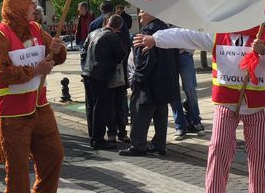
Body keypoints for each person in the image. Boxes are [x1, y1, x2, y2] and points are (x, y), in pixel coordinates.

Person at [135, 24, 265, 192]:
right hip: (226, 104)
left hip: (257, 107)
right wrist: (156, 39)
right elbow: (187, 35)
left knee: (260, 156)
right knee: (218, 148)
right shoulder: (218, 33)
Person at [0, 0, 67, 192]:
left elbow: (55, 57)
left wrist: (58, 50)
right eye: (31, 3)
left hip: (39, 106)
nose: (35, 7)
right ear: (18, 6)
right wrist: (35, 70)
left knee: (54, 155)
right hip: (13, 114)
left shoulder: (36, 29)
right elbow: (1, 72)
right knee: (18, 172)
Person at [119, 10, 179, 157]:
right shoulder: (167, 31)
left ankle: (138, 145)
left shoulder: (146, 32)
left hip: (148, 84)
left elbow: (144, 61)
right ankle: (159, 145)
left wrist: (137, 79)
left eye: (142, 11)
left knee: (140, 114)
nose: (139, 15)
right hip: (165, 82)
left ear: (152, 13)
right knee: (161, 114)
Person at [81, 14, 128, 149]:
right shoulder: (113, 37)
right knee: (100, 107)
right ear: (119, 27)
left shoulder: (93, 33)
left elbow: (83, 52)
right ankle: (98, 139)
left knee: (90, 106)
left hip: (87, 72)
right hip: (100, 75)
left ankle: (93, 136)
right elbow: (122, 54)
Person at [170, 49, 205, 140]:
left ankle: (196, 121)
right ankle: (180, 126)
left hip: (185, 54)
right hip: (168, 56)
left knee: (190, 89)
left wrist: (188, 49)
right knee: (173, 91)